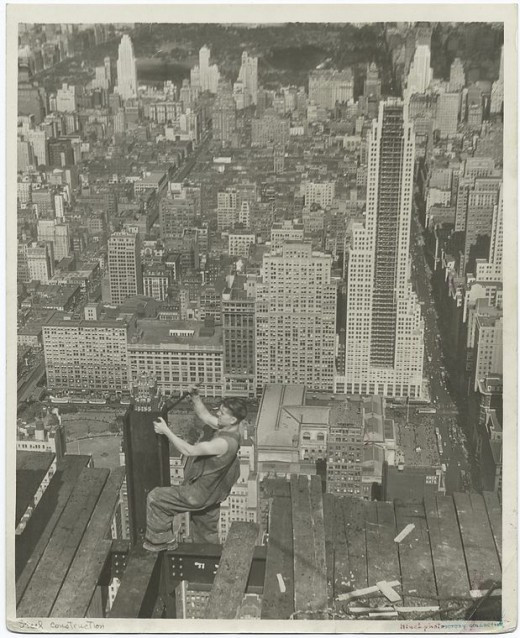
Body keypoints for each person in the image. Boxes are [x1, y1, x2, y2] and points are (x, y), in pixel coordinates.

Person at [143, 386, 247, 552]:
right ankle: (208, 560)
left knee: (156, 499)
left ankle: (161, 541)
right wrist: (196, 397)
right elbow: (205, 416)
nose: (218, 414)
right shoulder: (231, 429)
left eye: (222, 413)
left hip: (199, 493)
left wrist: (166, 431)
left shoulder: (223, 443)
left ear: (233, 419)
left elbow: (189, 451)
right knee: (205, 532)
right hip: (213, 494)